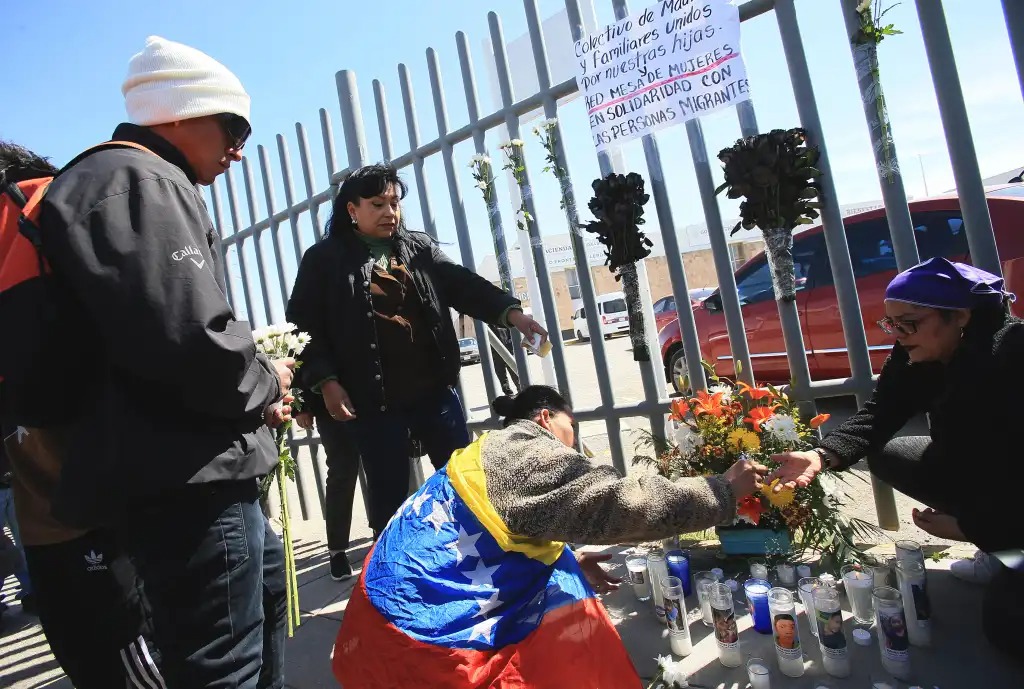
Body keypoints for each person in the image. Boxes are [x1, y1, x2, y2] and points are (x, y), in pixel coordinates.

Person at [34, 36, 294, 688]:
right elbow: (190, 338)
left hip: (177, 467)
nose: (238, 150)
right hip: (189, 479)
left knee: (256, 618)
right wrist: (267, 379)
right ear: (177, 112)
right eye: (231, 128)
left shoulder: (118, 180)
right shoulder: (137, 180)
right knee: (221, 665)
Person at [331, 385, 767, 688]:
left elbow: (483, 537)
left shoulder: (484, 453)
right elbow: (618, 506)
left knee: (558, 569)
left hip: (372, 631)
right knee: (568, 607)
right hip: (419, 649)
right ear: (545, 418)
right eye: (570, 428)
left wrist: (568, 560)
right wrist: (720, 491)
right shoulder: (525, 454)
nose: (573, 444)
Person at [770, 256, 1024, 658]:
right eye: (891, 324)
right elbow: (880, 413)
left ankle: (1009, 547)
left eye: (910, 323)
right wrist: (823, 455)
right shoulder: (917, 353)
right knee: (889, 454)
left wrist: (973, 526)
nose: (899, 335)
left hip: (1013, 490)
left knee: (1008, 628)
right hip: (985, 480)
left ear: (960, 316)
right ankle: (1004, 550)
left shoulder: (1011, 355)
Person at [286, 163, 547, 541]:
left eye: (394, 203)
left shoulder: (418, 248)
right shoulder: (324, 260)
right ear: (352, 209)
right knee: (390, 497)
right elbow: (303, 325)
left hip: (434, 392)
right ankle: (393, 578)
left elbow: (463, 285)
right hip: (372, 401)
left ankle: (483, 557)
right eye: (377, 203)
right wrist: (326, 381)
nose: (390, 212)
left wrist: (513, 315)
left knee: (464, 482)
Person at [292, 395, 363, 581]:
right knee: (341, 472)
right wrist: (301, 406)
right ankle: (337, 549)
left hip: (372, 391)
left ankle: (381, 535)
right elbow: (301, 365)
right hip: (327, 397)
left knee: (381, 468)